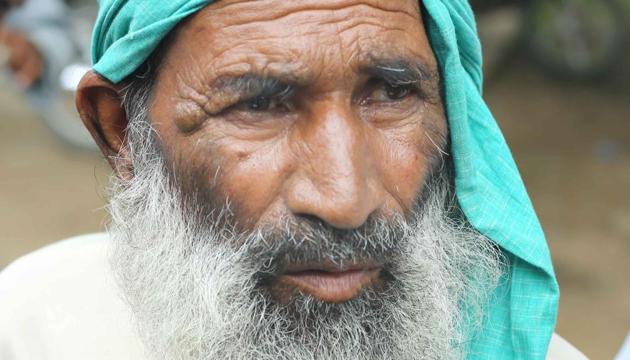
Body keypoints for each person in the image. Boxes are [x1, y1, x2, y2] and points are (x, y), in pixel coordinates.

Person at [0, 1, 587, 359]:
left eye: (392, 94)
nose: (344, 198)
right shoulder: (34, 332)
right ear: (121, 130)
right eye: (257, 106)